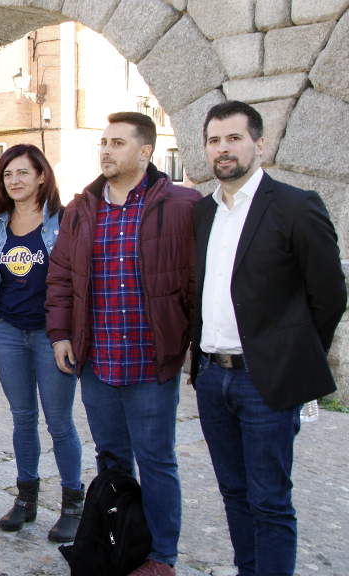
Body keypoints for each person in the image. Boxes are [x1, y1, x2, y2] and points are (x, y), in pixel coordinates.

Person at [191, 101, 346, 576]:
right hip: (213, 378)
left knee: (270, 500)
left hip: (266, 382)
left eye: (234, 138)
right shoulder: (202, 213)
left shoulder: (297, 206)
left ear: (259, 144)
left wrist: (290, 358)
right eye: (215, 140)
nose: (224, 149)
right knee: (234, 494)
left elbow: (330, 295)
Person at [45, 111, 199, 576]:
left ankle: (161, 557)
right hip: (96, 361)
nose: (106, 150)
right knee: (111, 460)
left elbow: (196, 281)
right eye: (103, 142)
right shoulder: (81, 209)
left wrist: (188, 341)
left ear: (145, 151)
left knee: (156, 460)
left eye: (117, 142)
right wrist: (59, 334)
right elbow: (62, 278)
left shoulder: (182, 205)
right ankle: (119, 542)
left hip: (151, 363)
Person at [0, 144, 83, 541]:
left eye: (24, 173)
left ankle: (73, 505)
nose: (15, 181)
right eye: (9, 175)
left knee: (59, 422)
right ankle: (26, 499)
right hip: (9, 331)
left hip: (52, 335)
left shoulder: (64, 222)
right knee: (23, 417)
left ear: (42, 175)